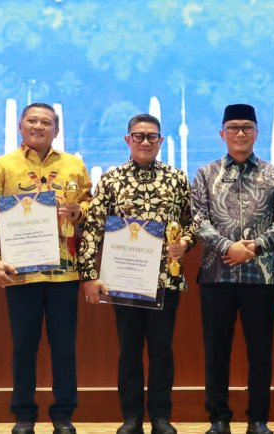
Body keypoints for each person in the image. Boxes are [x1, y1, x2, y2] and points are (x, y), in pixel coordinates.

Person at [0, 102, 93, 434]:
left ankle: (63, 414)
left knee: (64, 347)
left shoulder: (73, 165)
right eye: (32, 121)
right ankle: (24, 414)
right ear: (20, 125)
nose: (38, 126)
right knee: (24, 346)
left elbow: (89, 202)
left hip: (64, 271)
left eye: (45, 122)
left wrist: (78, 212)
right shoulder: (1, 166)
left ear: (56, 129)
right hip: (20, 269)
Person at [78, 114, 196, 434]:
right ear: (127, 140)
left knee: (161, 350)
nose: (146, 141)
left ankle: (160, 417)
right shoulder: (111, 179)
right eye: (139, 136)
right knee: (129, 350)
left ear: (161, 140)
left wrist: (185, 243)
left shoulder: (177, 178)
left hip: (164, 279)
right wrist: (89, 275)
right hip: (123, 279)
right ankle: (131, 418)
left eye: (152, 136)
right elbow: (93, 228)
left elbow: (192, 223)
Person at [191, 104, 274, 434]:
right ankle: (218, 419)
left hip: (260, 275)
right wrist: (228, 247)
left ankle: (258, 419)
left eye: (247, 127)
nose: (240, 133)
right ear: (222, 133)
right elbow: (198, 220)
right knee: (216, 351)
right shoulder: (205, 174)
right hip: (215, 274)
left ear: (256, 133)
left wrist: (254, 248)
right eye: (233, 127)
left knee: (260, 351)